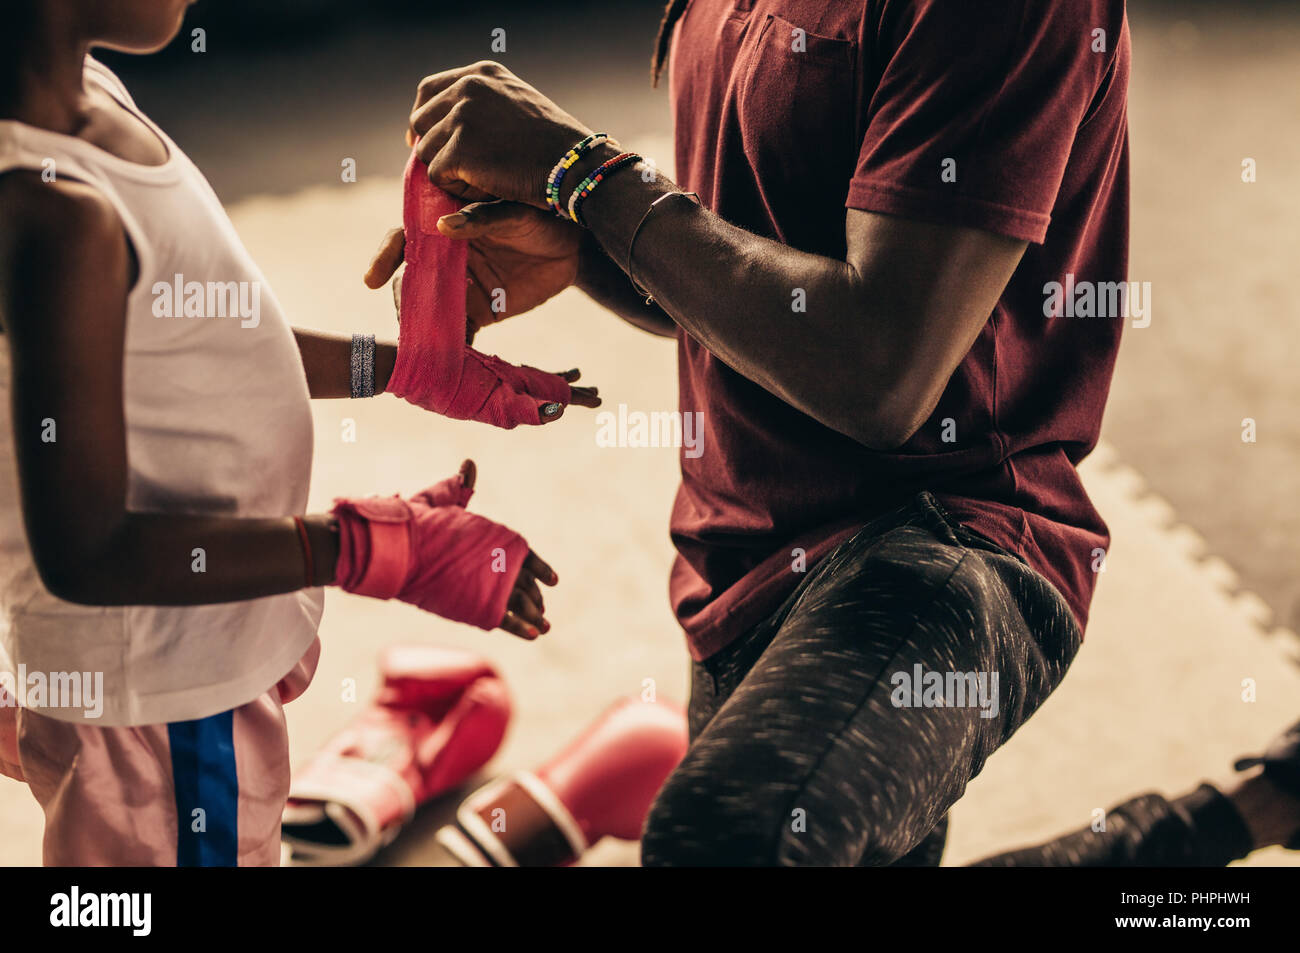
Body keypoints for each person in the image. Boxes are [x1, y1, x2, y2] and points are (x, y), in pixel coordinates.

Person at [363, 0, 1296, 865]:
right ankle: (1254, 814)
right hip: (737, 558)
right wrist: (583, 245)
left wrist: (587, 176)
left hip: (947, 539)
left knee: (729, 836)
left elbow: (877, 371)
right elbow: (751, 272)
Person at [0, 0, 597, 866]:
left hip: (171, 675)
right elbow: (87, 553)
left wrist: (406, 369)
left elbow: (210, 346)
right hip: (162, 697)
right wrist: (373, 548)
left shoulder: (93, 102)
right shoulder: (56, 212)